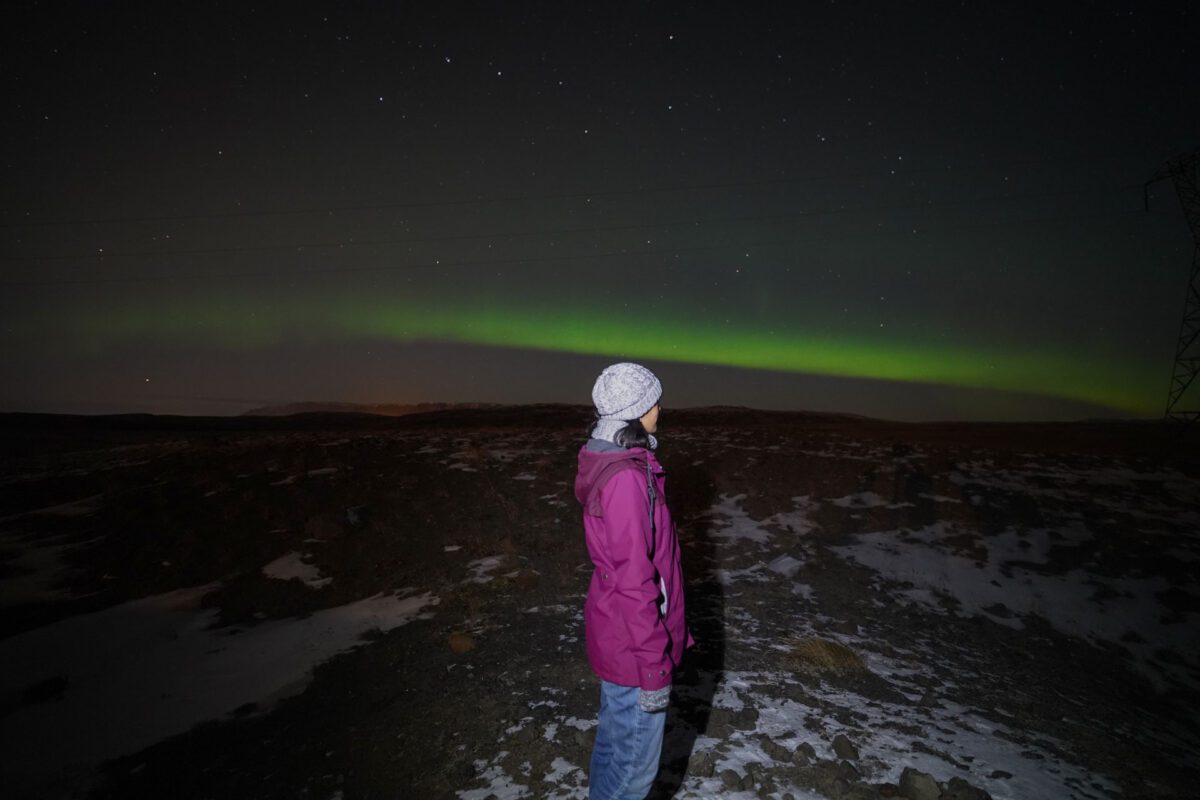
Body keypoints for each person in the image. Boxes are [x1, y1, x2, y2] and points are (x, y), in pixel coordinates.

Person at [574, 362, 694, 800]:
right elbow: (636, 581)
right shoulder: (626, 477)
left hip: (620, 637)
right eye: (653, 400)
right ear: (636, 410)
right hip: (633, 648)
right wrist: (654, 667)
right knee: (632, 777)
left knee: (613, 751)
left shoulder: (619, 460)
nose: (659, 407)